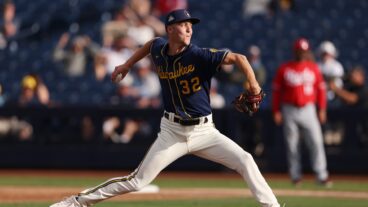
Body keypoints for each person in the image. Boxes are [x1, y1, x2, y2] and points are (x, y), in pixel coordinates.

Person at [50, 9, 280, 207]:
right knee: (137, 181)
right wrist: (128, 64)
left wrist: (254, 86)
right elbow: (150, 45)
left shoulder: (199, 55)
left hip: (205, 132)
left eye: (191, 25)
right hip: (172, 131)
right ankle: (76, 202)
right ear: (170, 29)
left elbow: (240, 58)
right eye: (183, 25)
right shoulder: (160, 48)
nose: (189, 29)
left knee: (246, 159)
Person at [271, 38, 331, 187]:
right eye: (300, 50)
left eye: (304, 51)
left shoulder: (313, 68)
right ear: (295, 51)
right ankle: (295, 175)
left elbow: (321, 90)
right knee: (292, 144)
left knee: (316, 141)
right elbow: (276, 92)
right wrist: (276, 110)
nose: (302, 53)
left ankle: (321, 174)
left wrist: (322, 109)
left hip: (309, 108)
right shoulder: (285, 68)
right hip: (289, 108)